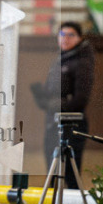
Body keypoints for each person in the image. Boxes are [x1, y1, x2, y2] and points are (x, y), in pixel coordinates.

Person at [31, 21, 95, 189]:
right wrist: (41, 97)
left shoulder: (83, 62)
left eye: (70, 35)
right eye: (62, 35)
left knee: (70, 174)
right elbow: (51, 96)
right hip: (53, 123)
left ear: (80, 38)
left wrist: (58, 105)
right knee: (52, 172)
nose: (65, 39)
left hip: (72, 124)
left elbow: (81, 98)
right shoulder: (59, 60)